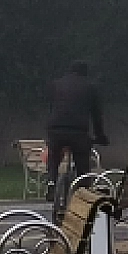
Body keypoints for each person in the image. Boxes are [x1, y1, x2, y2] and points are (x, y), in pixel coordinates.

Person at [45, 61, 108, 198]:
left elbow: (52, 107)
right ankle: (83, 189)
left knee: (54, 155)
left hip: (55, 129)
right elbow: (96, 115)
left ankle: (51, 181)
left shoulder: (56, 84)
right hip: (78, 132)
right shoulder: (90, 87)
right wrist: (100, 136)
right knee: (82, 161)